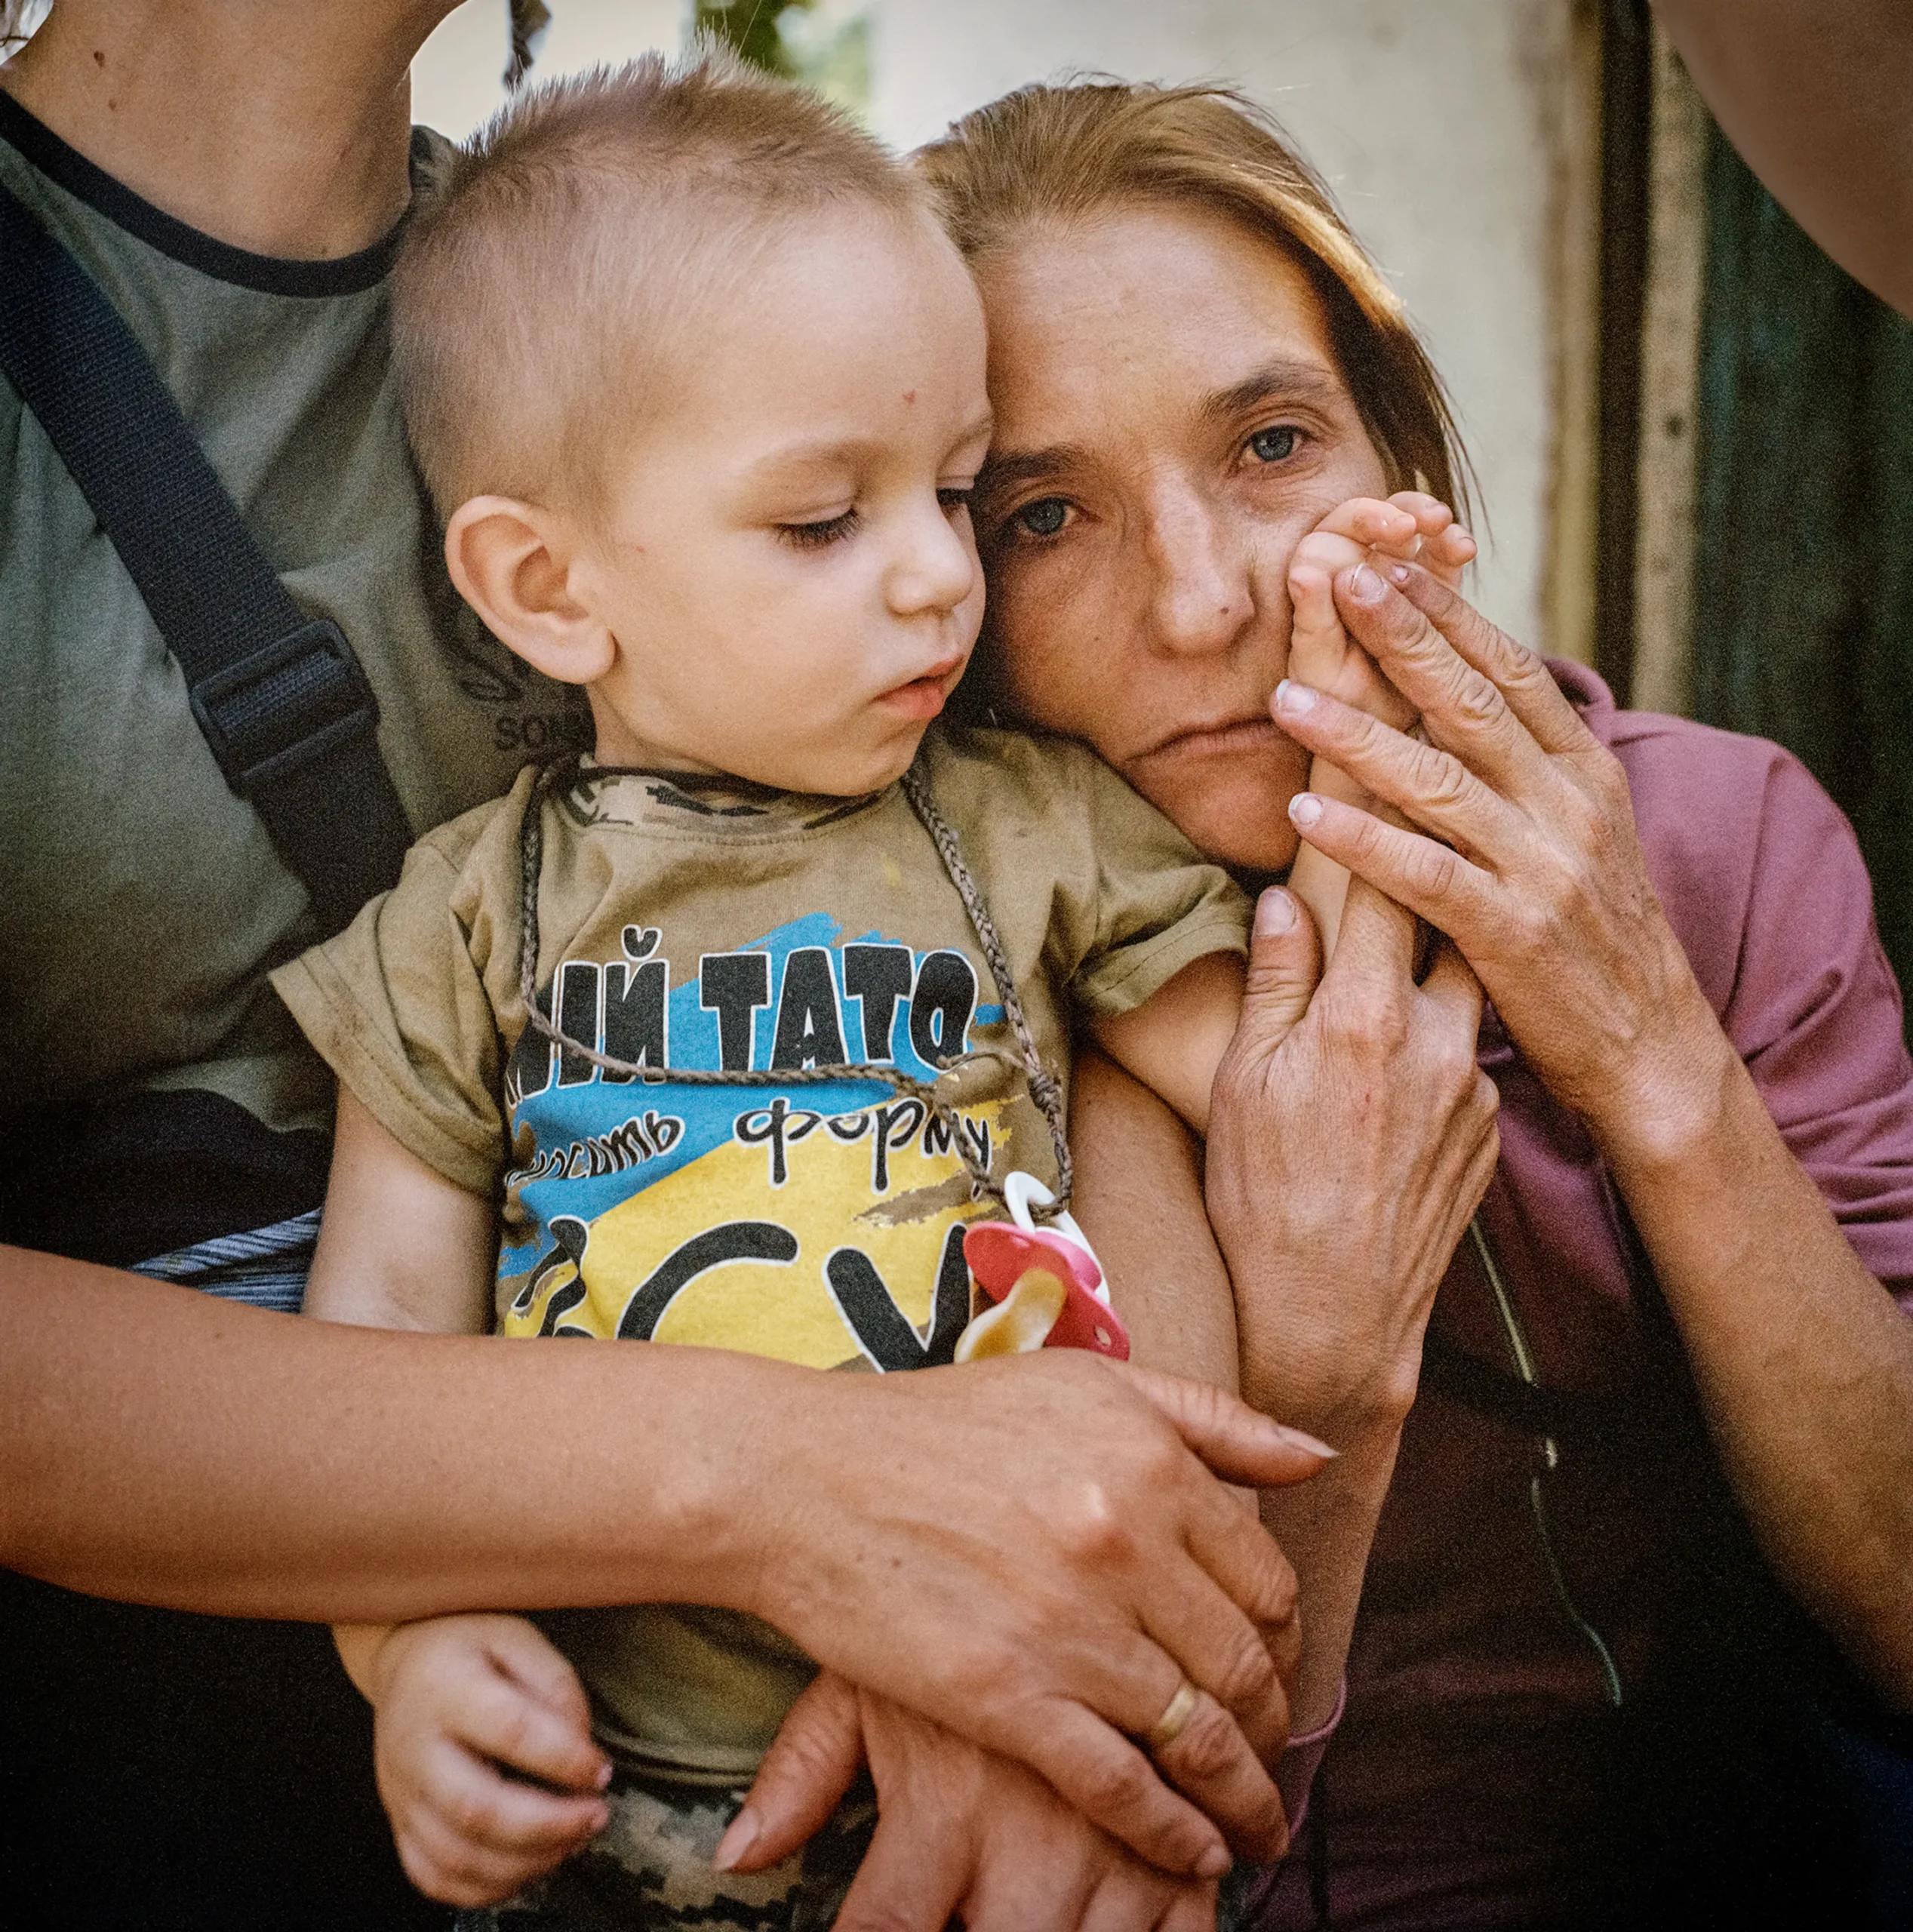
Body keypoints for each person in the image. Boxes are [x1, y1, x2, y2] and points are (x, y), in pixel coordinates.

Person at [0, 9, 1364, 1926]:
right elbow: (384, 1298)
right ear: (539, 588)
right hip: (498, 1795)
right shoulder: (478, 899)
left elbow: (1258, 1085)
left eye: (965, 497)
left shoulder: (662, 279)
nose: (935, 578)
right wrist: (423, 1628)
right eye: (823, 521)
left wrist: (1097, 1577)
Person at [887, 76, 1913, 1927]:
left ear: (1401, 471)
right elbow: (1121, 1832)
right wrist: (1323, 1378)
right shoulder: (922, 986)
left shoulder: (1715, 837)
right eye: (1051, 512)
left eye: (1270, 444)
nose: (1202, 603)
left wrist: (1646, 1050)